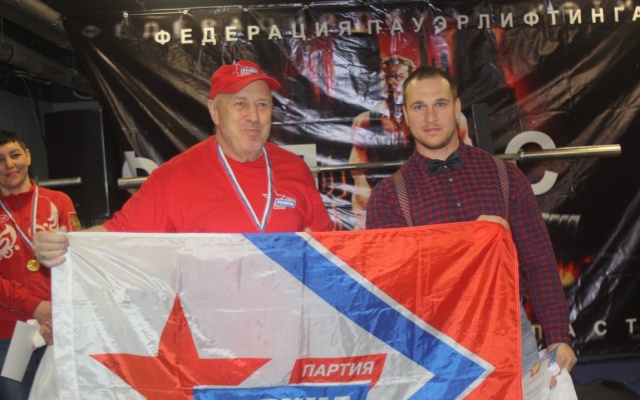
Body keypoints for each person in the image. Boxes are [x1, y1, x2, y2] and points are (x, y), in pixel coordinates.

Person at [365, 66, 577, 373]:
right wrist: (466, 241)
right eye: (419, 107)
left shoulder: (505, 177)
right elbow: (390, 289)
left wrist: (558, 336)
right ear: (406, 116)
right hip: (433, 345)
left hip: (510, 334)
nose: (430, 117)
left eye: (440, 104)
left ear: (456, 108)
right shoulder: (388, 197)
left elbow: (538, 261)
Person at [33, 59, 332, 265]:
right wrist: (66, 245)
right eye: (239, 104)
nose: (253, 116)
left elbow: (327, 243)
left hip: (286, 324)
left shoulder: (295, 169)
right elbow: (118, 234)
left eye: (262, 104)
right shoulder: (174, 177)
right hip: (211, 332)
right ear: (214, 111)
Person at [0, 130, 79, 399]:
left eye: (15, 155)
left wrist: (59, 313)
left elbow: (76, 262)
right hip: (10, 335)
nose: (9, 164)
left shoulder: (58, 202)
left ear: (28, 156)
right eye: (0, 159)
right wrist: (34, 306)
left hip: (58, 326)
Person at [349, 55, 416, 230]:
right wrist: (370, 218)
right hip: (380, 206)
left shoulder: (426, 119)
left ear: (411, 82)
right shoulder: (365, 121)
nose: (390, 82)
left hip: (422, 203)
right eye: (385, 78)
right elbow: (359, 178)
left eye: (397, 76)